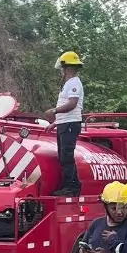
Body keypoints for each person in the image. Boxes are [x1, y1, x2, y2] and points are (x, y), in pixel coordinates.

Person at [45, 51, 84, 196]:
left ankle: (71, 187)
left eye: (62, 68)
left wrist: (54, 110)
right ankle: (67, 185)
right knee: (63, 156)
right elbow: (67, 113)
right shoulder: (69, 83)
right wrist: (55, 123)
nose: (61, 71)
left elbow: (72, 104)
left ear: (66, 68)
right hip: (66, 124)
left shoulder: (74, 83)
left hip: (70, 125)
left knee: (67, 156)